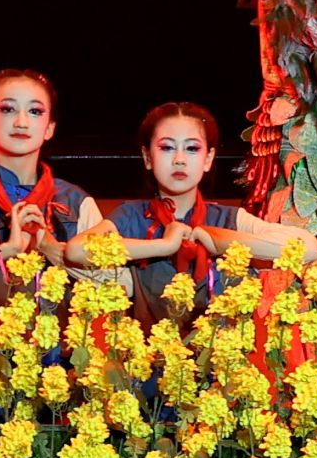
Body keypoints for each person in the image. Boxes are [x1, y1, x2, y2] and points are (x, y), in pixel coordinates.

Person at [102, 102, 299, 315]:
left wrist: (218, 241)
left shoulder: (228, 219)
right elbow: (79, 249)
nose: (179, 160)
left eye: (192, 148)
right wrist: (163, 246)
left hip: (226, 337)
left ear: (208, 159)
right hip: (145, 337)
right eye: (167, 147)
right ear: (147, 157)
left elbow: (307, 248)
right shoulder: (132, 216)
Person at [0, 69, 102, 277]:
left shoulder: (76, 202)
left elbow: (112, 282)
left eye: (35, 111)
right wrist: (3, 251)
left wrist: (55, 249)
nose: (21, 122)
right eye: (8, 109)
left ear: (49, 128)